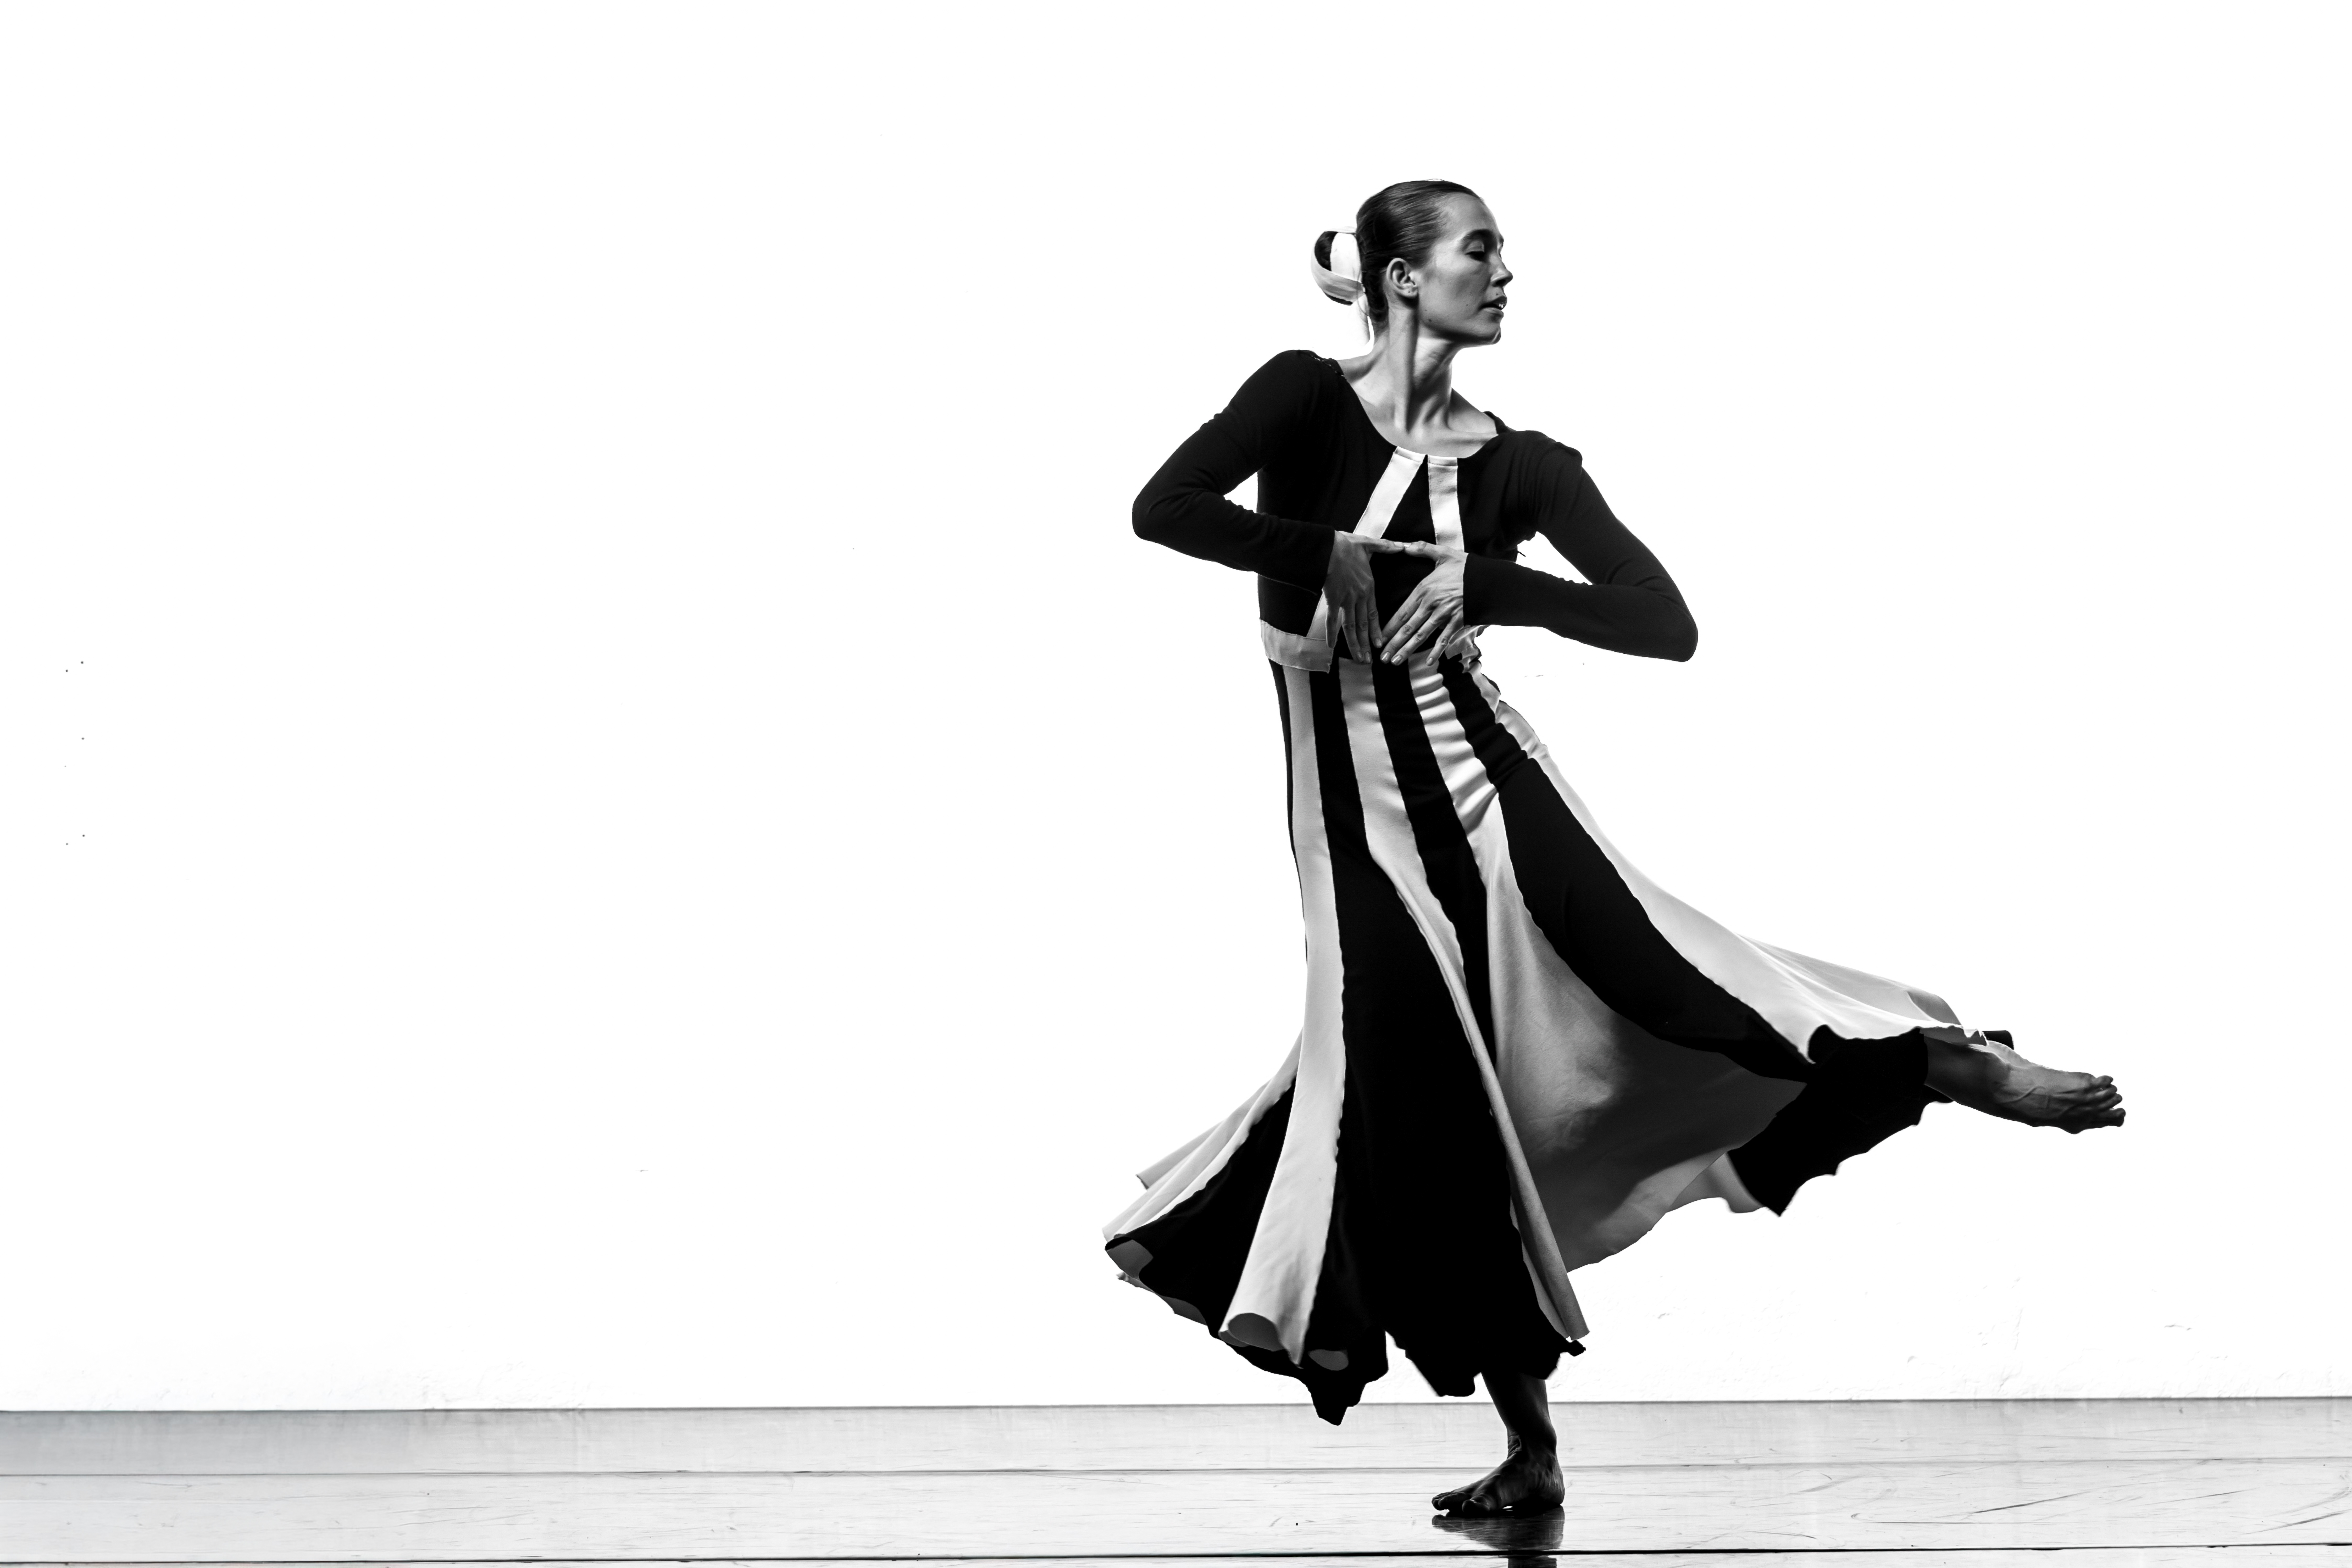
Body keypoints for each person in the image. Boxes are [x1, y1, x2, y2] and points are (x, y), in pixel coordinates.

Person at [1103, 180, 2124, 1518]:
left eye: (1502, 253)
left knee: (1666, 981)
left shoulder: (1521, 465)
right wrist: (1326, 550)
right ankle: (1530, 1449)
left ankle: (1938, 1060)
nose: (1503, 273)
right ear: (1401, 279)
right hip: (1350, 831)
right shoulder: (1299, 398)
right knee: (1430, 1115)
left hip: (1492, 786)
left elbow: (1662, 622)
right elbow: (1164, 505)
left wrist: (1490, 584)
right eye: (1478, 251)